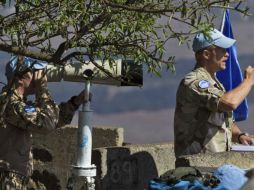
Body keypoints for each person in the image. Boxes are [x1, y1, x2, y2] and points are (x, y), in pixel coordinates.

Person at [0, 56, 87, 189]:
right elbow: (47, 123)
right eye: (35, 72)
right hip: (7, 178)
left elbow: (53, 119)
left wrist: (74, 103)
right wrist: (42, 88)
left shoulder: (18, 103)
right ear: (20, 79)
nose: (39, 76)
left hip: (14, 177)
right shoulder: (10, 104)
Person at [174, 28, 254, 158]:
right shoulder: (195, 81)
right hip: (197, 166)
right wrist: (248, 81)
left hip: (214, 164)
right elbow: (229, 103)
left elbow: (221, 120)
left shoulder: (214, 82)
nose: (227, 54)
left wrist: (239, 136)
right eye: (222, 49)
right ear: (206, 54)